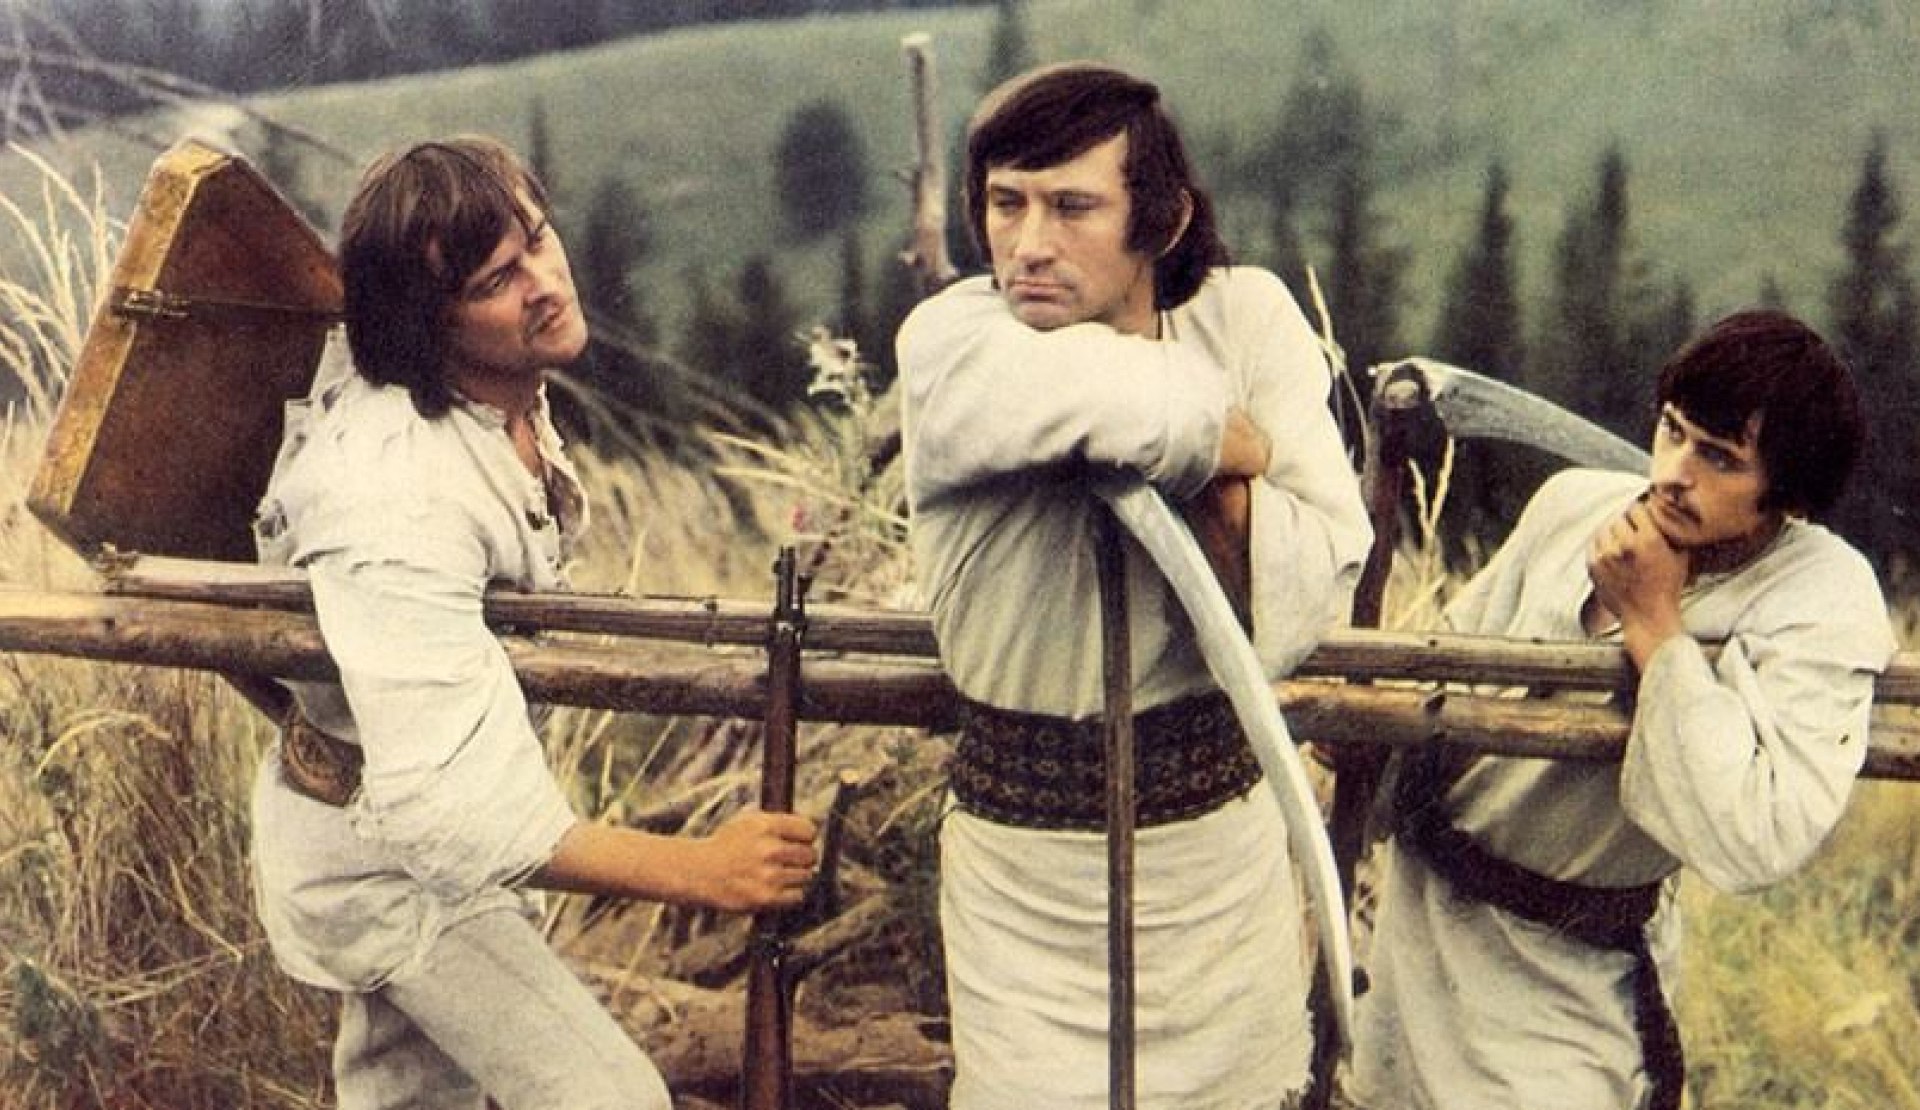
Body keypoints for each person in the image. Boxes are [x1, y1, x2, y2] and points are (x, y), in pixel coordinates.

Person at [248, 136, 819, 1110]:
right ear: (427, 323)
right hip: (390, 864)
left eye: (539, 243)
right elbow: (450, 810)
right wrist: (703, 870)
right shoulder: (396, 495)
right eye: (495, 282)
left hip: (404, 839)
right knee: (610, 1100)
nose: (545, 285)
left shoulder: (492, 398)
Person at [898, 64, 1372, 1109]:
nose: (1029, 244)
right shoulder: (956, 341)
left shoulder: (1247, 319)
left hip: (1215, 864)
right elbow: (1121, 399)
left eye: (1072, 208)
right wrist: (1226, 443)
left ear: (1163, 219)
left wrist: (1216, 487)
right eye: (1007, 204)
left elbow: (1322, 567)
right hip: (1025, 881)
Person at [1347, 310, 1896, 1110]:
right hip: (1416, 928)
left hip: (1564, 981)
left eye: (1719, 458)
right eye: (1673, 430)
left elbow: (1758, 834)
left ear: (1789, 494)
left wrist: (1655, 624)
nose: (1673, 472)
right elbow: (1448, 674)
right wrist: (1370, 740)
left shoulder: (1820, 597)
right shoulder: (1574, 507)